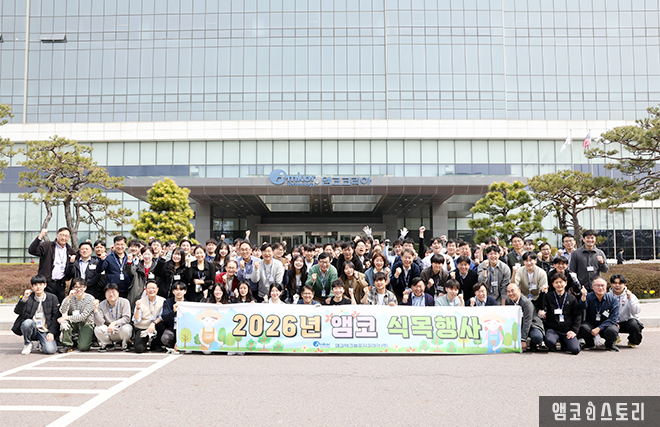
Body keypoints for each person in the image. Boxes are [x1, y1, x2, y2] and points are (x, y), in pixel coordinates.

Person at [13, 274, 60, 355]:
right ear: (32, 286)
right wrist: (24, 299)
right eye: (35, 284)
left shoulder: (52, 298)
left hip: (45, 331)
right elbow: (17, 311)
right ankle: (27, 344)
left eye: (40, 284)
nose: (38, 287)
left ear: (45, 285)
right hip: (33, 329)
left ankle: (42, 343)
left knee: (50, 350)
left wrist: (52, 332)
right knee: (27, 323)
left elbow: (55, 317)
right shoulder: (28, 297)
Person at [28, 227, 77, 303]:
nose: (63, 238)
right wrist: (40, 236)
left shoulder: (70, 251)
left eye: (66, 236)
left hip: (60, 284)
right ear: (57, 235)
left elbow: (71, 271)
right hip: (47, 283)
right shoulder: (47, 246)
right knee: (45, 305)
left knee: (58, 306)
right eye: (61, 235)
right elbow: (32, 250)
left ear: (69, 238)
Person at [542, 273, 581, 355]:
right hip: (553, 329)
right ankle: (553, 344)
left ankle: (564, 343)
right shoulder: (548, 296)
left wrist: (574, 331)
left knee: (575, 349)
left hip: (567, 330)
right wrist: (542, 293)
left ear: (566, 283)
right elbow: (541, 306)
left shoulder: (572, 298)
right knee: (549, 341)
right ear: (553, 284)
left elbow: (577, 315)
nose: (559, 284)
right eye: (556, 282)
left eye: (561, 282)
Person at [578, 277, 620, 351]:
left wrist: (599, 328)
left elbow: (613, 318)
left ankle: (609, 345)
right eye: (597, 285)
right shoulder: (588, 297)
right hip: (591, 324)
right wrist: (583, 296)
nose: (600, 288)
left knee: (613, 330)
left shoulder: (613, 300)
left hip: (606, 325)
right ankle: (589, 344)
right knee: (583, 327)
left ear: (606, 287)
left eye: (602, 285)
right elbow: (582, 307)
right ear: (593, 287)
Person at [59, 278, 95, 352]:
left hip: (86, 323)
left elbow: (83, 316)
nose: (78, 289)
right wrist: (68, 298)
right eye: (76, 287)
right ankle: (67, 345)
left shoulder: (90, 299)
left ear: (85, 288)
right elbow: (62, 311)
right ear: (72, 288)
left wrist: (67, 317)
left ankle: (81, 340)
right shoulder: (69, 297)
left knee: (83, 347)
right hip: (73, 322)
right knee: (65, 323)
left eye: (81, 287)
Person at [94, 283, 133, 352]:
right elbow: (99, 323)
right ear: (105, 294)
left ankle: (125, 344)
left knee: (127, 328)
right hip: (109, 331)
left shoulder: (125, 302)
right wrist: (96, 310)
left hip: (121, 330)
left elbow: (127, 318)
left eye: (113, 292)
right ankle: (108, 344)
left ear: (118, 293)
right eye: (108, 292)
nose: (111, 294)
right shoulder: (101, 305)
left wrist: (115, 323)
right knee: (98, 329)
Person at [505, 283, 544, 351]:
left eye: (512, 291)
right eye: (508, 291)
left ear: (519, 291)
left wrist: (523, 340)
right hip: (518, 325)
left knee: (537, 337)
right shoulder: (508, 301)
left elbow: (527, 321)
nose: (510, 293)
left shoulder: (526, 302)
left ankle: (533, 344)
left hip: (532, 324)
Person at [608, 274, 643, 347]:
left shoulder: (631, 296)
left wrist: (630, 299)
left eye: (620, 283)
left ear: (624, 285)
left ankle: (632, 341)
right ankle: (614, 338)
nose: (617, 285)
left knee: (635, 325)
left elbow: (636, 311)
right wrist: (613, 322)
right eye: (615, 283)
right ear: (611, 284)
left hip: (627, 322)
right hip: (613, 322)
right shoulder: (607, 296)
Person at [132, 281, 166, 353]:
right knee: (139, 349)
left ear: (157, 289)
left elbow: (162, 316)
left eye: (153, 288)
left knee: (162, 324)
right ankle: (144, 341)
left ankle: (155, 344)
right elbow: (136, 320)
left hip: (155, 326)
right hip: (143, 327)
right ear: (146, 290)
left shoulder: (163, 301)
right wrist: (138, 308)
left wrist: (153, 323)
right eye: (149, 288)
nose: (151, 290)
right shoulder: (140, 301)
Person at [160, 282, 187, 350]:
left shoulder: (188, 304)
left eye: (181, 290)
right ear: (173, 291)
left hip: (184, 329)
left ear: (185, 291)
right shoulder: (167, 302)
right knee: (165, 338)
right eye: (176, 290)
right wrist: (173, 311)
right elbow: (164, 317)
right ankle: (172, 345)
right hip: (172, 328)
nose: (179, 292)